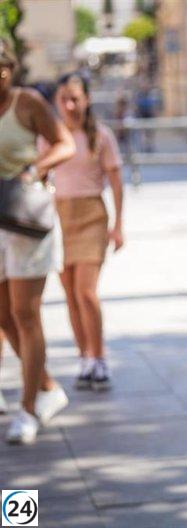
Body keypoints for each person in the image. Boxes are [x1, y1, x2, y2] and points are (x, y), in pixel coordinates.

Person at [0, 39, 76, 444]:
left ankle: (27, 410)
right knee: (3, 316)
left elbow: (66, 142)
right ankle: (47, 387)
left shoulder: (26, 103)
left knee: (24, 313)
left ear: (7, 69)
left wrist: (35, 167)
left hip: (25, 219)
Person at [43, 73, 124, 392]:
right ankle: (84, 358)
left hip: (91, 214)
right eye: (63, 98)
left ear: (86, 99)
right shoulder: (50, 136)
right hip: (58, 217)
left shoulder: (100, 136)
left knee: (86, 291)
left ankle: (100, 357)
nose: (70, 105)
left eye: (75, 98)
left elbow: (116, 181)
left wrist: (118, 225)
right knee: (70, 294)